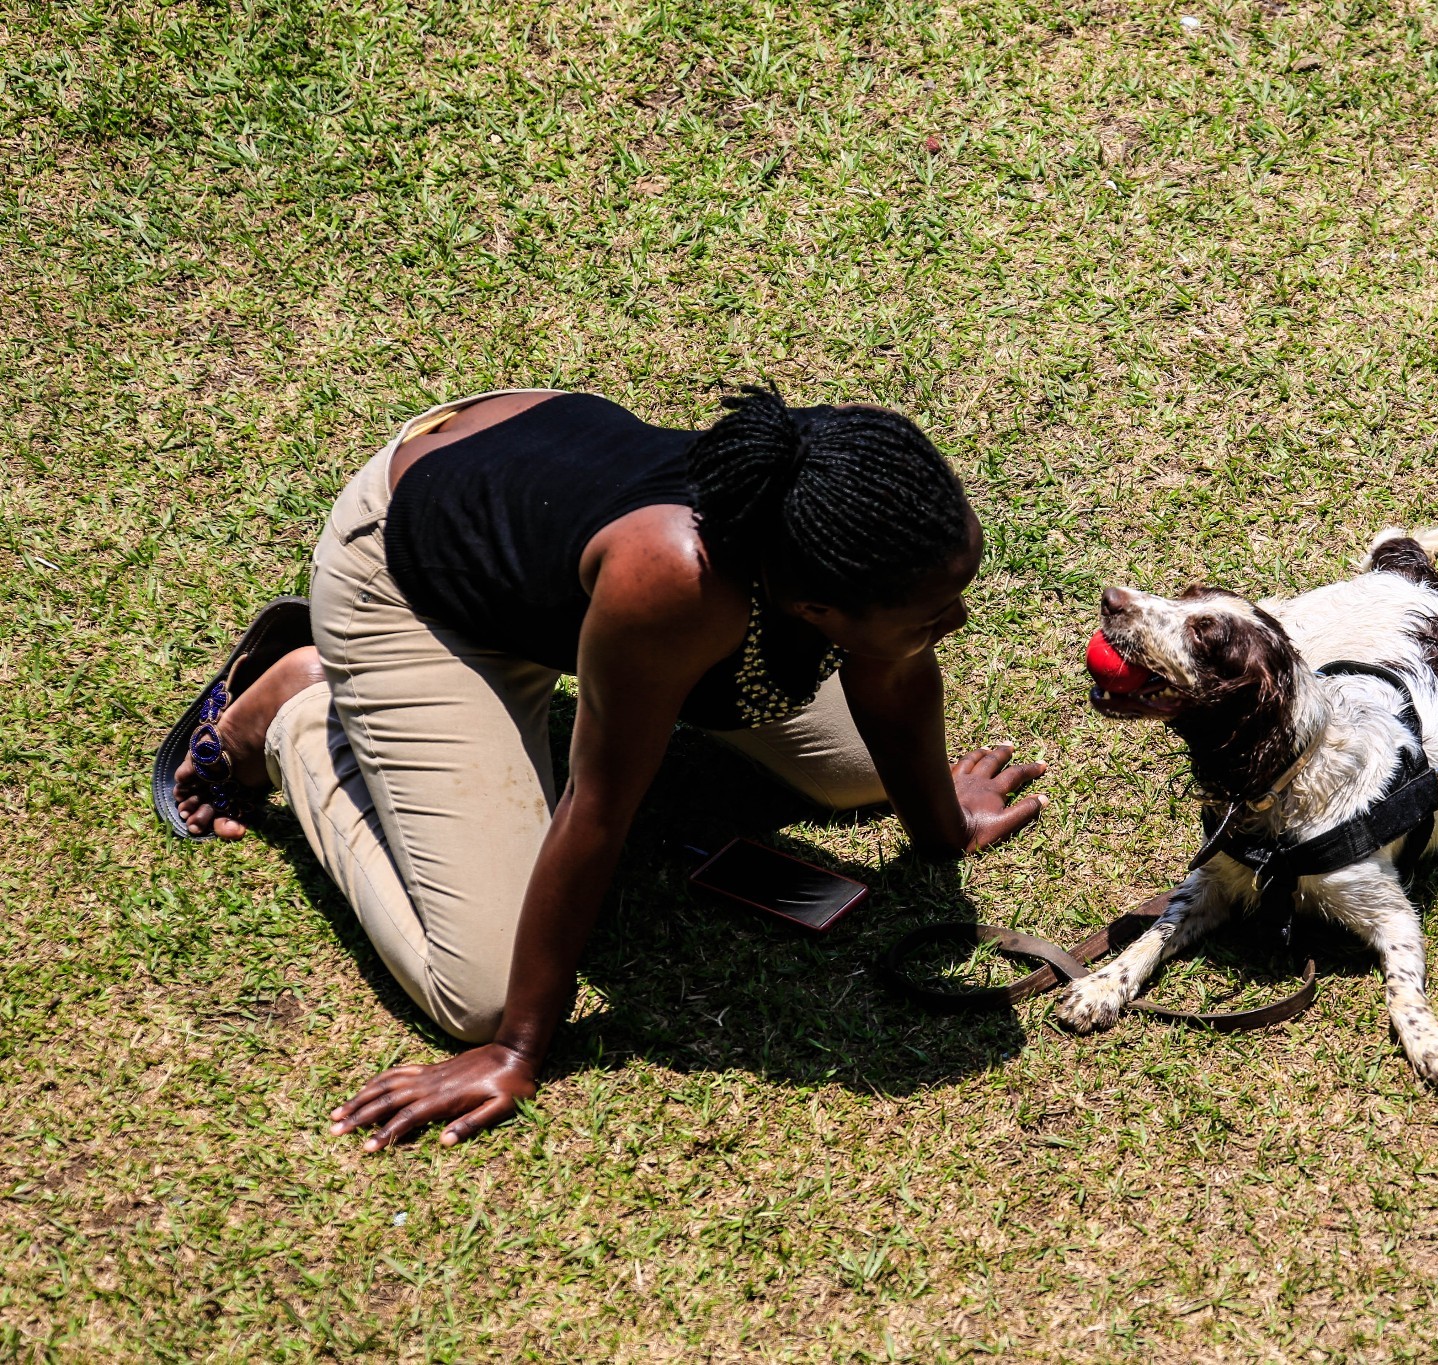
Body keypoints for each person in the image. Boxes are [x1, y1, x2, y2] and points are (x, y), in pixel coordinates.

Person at [159, 386, 1047, 1151]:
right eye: (937, 610)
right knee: (480, 988)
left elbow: (889, 670)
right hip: (415, 579)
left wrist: (944, 825)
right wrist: (518, 1048)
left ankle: (524, 681)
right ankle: (305, 704)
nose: (960, 619)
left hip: (547, 507)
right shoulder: (677, 583)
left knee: (860, 772)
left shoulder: (812, 524)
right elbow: (596, 804)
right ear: (815, 605)